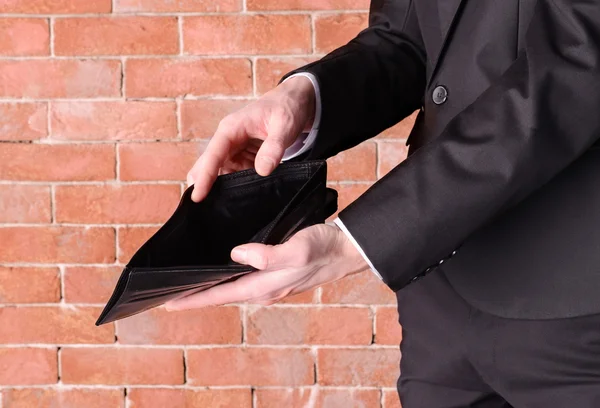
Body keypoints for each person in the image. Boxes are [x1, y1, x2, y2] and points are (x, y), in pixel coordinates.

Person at [165, 0, 600, 406]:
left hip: (575, 303)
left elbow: (576, 64)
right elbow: (405, 36)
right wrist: (305, 98)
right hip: (439, 291)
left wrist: (359, 241)